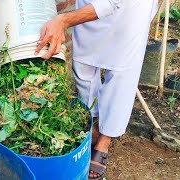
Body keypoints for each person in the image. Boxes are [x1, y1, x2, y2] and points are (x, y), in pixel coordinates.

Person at [35, 0, 159, 179]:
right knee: (83, 65)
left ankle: (104, 140)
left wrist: (62, 21)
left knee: (120, 74)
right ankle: (93, 124)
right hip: (92, 3)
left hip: (129, 10)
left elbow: (110, 3)